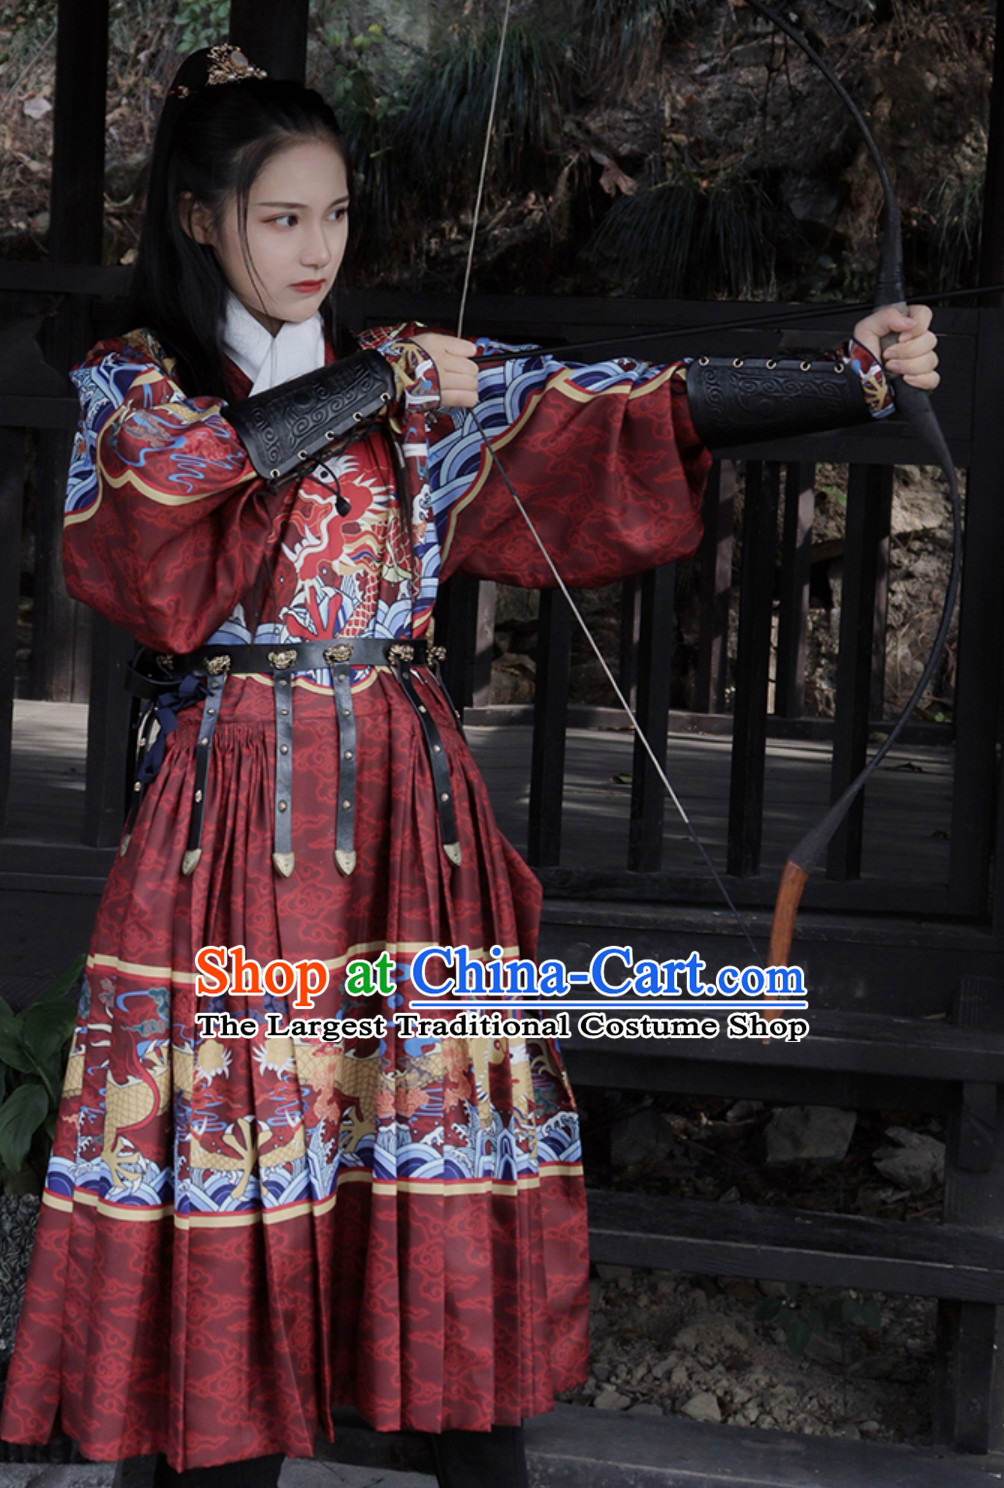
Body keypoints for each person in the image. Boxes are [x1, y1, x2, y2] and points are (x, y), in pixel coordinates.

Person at [0, 42, 938, 1488]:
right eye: (280, 218)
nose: (316, 249)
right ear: (199, 220)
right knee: (235, 1152)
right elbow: (174, 499)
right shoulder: (144, 388)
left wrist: (849, 378)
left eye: (334, 215)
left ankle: (463, 1433)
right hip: (237, 817)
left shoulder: (411, 382)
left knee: (432, 1135)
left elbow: (618, 408)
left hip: (408, 812)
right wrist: (374, 382)